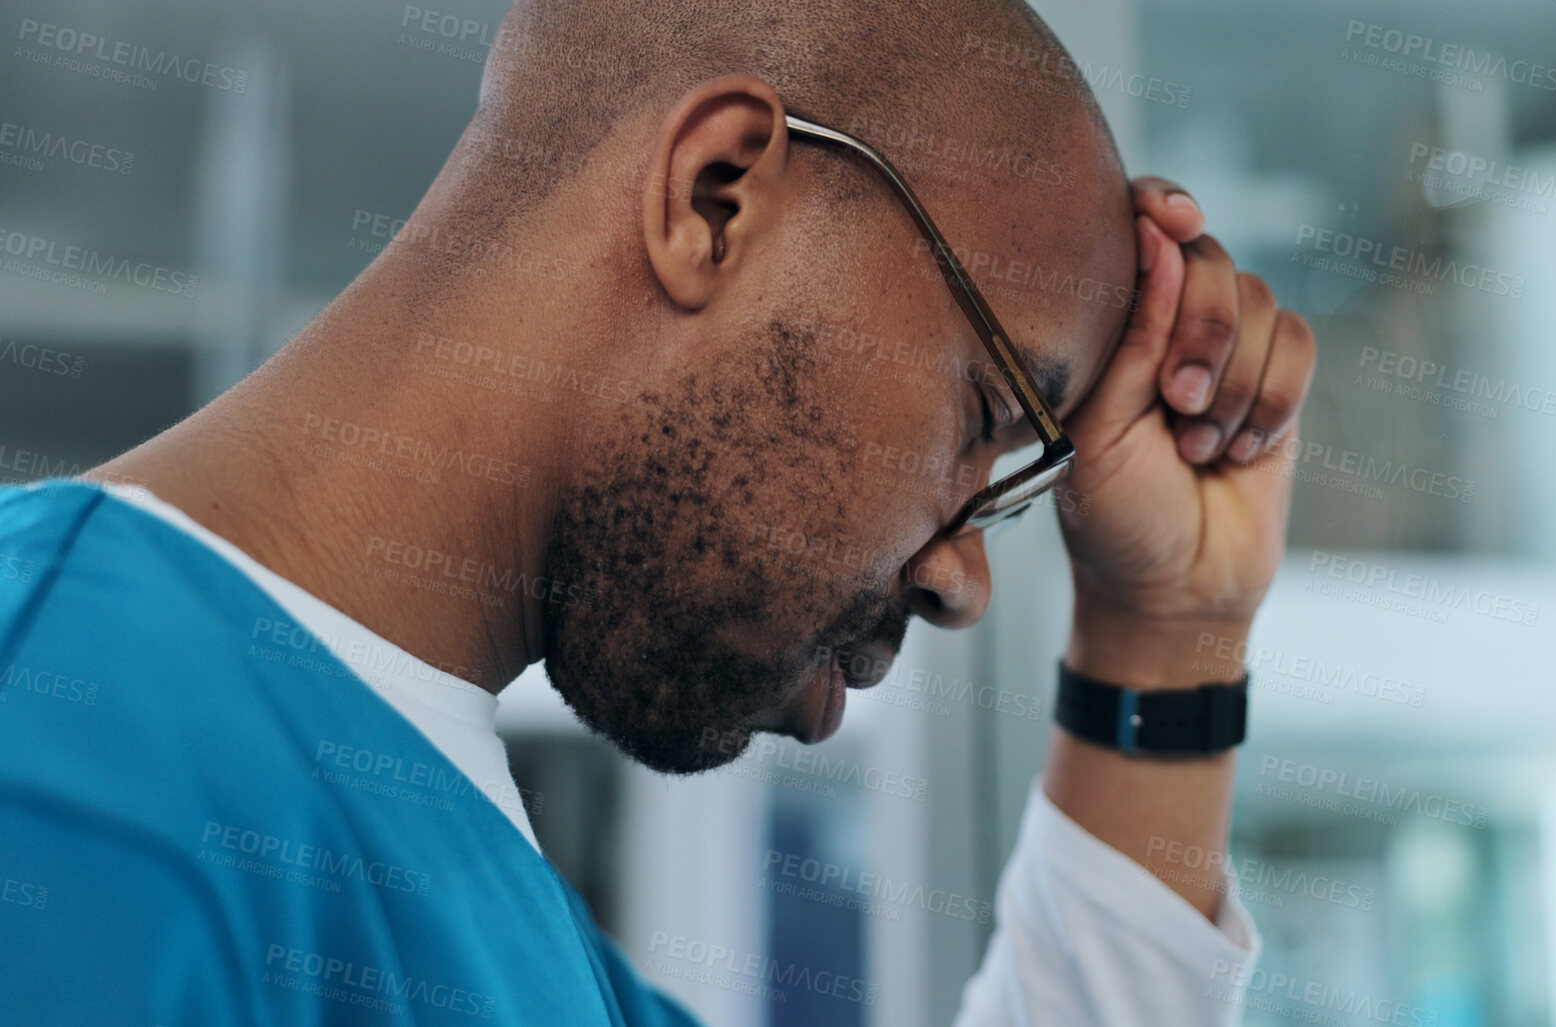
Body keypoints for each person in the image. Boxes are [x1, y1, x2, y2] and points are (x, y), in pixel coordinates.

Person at [0, 0, 1315, 1022]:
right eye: (983, 415)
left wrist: (1169, 637)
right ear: (717, 196)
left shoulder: (507, 925)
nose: (963, 580)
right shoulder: (64, 776)